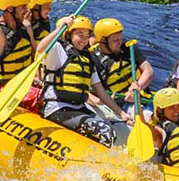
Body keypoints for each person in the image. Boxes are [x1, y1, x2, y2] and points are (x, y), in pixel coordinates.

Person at [38, 15, 131, 147]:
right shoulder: (58, 50)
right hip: (57, 108)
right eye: (80, 34)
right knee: (105, 131)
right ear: (69, 35)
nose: (84, 39)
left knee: (111, 127)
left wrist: (121, 113)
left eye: (87, 35)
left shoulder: (88, 59)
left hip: (79, 108)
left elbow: (102, 93)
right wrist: (60, 28)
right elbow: (40, 48)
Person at [90, 17, 154, 114]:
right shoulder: (94, 60)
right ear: (103, 41)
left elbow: (148, 71)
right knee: (146, 115)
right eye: (116, 40)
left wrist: (137, 87)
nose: (120, 43)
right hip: (121, 104)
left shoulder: (129, 48)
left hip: (143, 95)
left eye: (121, 38)